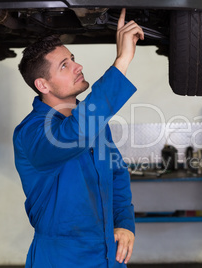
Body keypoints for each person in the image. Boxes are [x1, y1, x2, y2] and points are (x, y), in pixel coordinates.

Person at [13, 9, 144, 267]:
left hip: (108, 254)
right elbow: (73, 134)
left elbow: (116, 173)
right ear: (43, 85)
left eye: (72, 58)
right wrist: (122, 61)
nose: (78, 66)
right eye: (65, 65)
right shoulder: (31, 133)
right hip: (61, 258)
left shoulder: (93, 122)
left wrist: (124, 223)